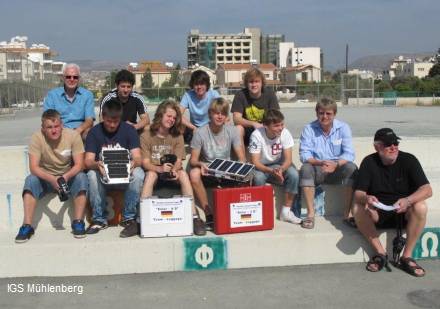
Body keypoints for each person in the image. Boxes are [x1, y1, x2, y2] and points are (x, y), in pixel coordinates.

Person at [353, 128, 432, 277]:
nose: (393, 147)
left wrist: (408, 201)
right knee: (357, 207)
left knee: (421, 206)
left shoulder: (409, 160)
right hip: (378, 212)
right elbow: (359, 193)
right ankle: (381, 253)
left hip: (403, 212)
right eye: (388, 144)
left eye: (395, 143)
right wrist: (367, 198)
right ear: (377, 147)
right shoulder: (369, 162)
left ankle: (406, 256)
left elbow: (427, 190)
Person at [15, 109, 88, 243]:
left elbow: (79, 165)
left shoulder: (72, 136)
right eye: (49, 127)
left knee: (82, 177)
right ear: (43, 129)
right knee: (30, 180)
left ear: (62, 125)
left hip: (67, 176)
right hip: (45, 178)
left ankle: (78, 222)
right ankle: (27, 226)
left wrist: (64, 178)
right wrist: (52, 179)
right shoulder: (37, 138)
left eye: (56, 126)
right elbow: (34, 167)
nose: (54, 130)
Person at [140, 99, 206, 236]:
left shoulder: (177, 135)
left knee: (183, 174)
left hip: (171, 171)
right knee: (150, 175)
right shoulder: (146, 135)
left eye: (174, 118)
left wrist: (174, 170)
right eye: (169, 116)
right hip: (156, 170)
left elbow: (178, 160)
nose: (171, 120)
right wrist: (159, 169)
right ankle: (141, 219)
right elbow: (146, 163)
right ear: (160, 115)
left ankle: (194, 217)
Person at [85, 98, 145, 238]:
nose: (112, 125)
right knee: (91, 175)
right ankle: (99, 219)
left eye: (115, 122)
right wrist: (97, 164)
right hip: (104, 175)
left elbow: (138, 158)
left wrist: (133, 164)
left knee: (139, 173)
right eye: (108, 121)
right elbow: (88, 161)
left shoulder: (129, 130)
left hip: (124, 174)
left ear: (120, 118)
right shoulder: (94, 132)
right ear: (102, 117)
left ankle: (128, 217)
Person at [298, 97, 357, 229]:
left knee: (352, 168)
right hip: (318, 168)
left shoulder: (343, 128)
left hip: (337, 168)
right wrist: (320, 163)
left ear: (334, 114)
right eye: (321, 113)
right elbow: (304, 154)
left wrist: (335, 164)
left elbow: (349, 154)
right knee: (305, 168)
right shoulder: (309, 129)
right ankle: (310, 215)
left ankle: (347, 214)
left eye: (328, 113)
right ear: (316, 113)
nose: (324, 116)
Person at [189, 98, 245, 229]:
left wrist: (235, 168)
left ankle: (235, 212)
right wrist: (201, 164)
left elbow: (242, 157)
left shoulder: (232, 131)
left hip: (226, 170)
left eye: (223, 113)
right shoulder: (200, 132)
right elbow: (193, 160)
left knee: (246, 171)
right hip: (208, 170)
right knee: (194, 173)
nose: (220, 116)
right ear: (210, 114)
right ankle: (209, 214)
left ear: (226, 116)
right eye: (216, 113)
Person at [249, 109, 301, 224]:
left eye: (282, 124)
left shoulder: (285, 133)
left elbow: (288, 160)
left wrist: (281, 169)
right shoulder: (256, 135)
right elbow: (255, 162)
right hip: (262, 167)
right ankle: (259, 212)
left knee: (294, 174)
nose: (280, 128)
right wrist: (271, 171)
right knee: (258, 178)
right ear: (265, 126)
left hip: (279, 165)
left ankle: (286, 212)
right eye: (276, 126)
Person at [43, 63, 95, 140]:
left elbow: (89, 120)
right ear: (63, 78)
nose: (72, 79)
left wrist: (77, 131)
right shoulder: (52, 95)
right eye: (68, 77)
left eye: (75, 77)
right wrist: (63, 131)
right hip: (59, 130)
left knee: (90, 132)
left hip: (81, 132)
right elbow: (48, 118)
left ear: (79, 78)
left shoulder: (87, 95)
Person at [231, 67, 280, 147]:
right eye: (251, 82)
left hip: (266, 128)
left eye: (257, 81)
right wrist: (253, 124)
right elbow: (236, 119)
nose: (254, 85)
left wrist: (265, 127)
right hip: (247, 129)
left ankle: (275, 155)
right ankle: (242, 159)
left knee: (279, 127)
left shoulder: (270, 94)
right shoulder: (240, 95)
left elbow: (276, 117)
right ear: (247, 83)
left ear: (262, 83)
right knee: (238, 129)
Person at [180, 70, 220, 143]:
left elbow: (223, 112)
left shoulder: (214, 94)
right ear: (192, 85)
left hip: (211, 126)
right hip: (194, 127)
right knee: (178, 124)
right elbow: (178, 114)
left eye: (202, 84)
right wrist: (193, 127)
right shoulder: (188, 95)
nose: (199, 87)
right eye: (196, 84)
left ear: (207, 85)